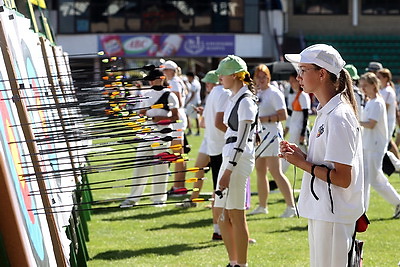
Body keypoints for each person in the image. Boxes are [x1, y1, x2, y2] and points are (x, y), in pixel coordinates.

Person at [280, 44, 365, 266]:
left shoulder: (338, 116)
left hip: (333, 213)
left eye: (303, 70)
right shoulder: (328, 111)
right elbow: (330, 166)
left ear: (322, 73)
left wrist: (301, 163)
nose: (298, 77)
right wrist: (303, 157)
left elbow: (343, 178)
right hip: (325, 211)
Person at [213, 55, 258, 267]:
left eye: (222, 74)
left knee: (236, 216)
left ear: (234, 75)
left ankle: (242, 264)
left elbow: (242, 138)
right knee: (222, 215)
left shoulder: (246, 100)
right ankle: (233, 262)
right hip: (229, 155)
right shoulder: (233, 97)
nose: (219, 77)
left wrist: (229, 170)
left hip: (237, 160)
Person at [176, 70, 231, 241]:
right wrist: (203, 113)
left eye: (209, 82)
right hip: (213, 143)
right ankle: (194, 198)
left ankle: (220, 228)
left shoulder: (220, 94)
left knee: (219, 189)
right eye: (206, 83)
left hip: (218, 144)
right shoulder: (216, 94)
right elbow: (205, 123)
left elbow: (212, 123)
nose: (207, 85)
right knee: (200, 171)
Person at [120, 69, 180, 207]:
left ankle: (159, 199)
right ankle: (133, 198)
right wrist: (147, 115)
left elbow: (176, 117)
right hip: (147, 132)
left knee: (160, 166)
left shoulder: (170, 95)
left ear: (161, 79)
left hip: (163, 133)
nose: (151, 81)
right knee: (140, 163)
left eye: (154, 78)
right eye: (150, 79)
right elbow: (141, 112)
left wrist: (162, 118)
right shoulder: (146, 94)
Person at [249, 64, 296, 217]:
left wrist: (264, 119)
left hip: (272, 136)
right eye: (258, 77)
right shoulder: (256, 93)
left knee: (276, 171)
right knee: (260, 171)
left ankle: (291, 206)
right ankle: (262, 205)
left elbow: (283, 115)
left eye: (264, 76)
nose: (261, 80)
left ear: (268, 77)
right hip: (260, 137)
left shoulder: (274, 93)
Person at [358, 72, 400, 217]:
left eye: (365, 86)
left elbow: (371, 124)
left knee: (374, 179)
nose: (363, 88)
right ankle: (361, 211)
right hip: (368, 144)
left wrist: (354, 121)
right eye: (361, 85)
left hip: (375, 146)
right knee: (367, 178)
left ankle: (398, 202)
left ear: (374, 85)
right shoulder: (371, 101)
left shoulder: (377, 102)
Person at [162, 60, 188, 194]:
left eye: (166, 70)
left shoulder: (174, 82)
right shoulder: (177, 81)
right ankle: (178, 185)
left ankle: (179, 187)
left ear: (172, 71)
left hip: (177, 119)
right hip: (179, 118)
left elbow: (177, 101)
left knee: (177, 154)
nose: (164, 73)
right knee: (178, 154)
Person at [282, 71, 311, 173]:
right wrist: (287, 128)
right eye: (290, 81)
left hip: (299, 130)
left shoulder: (303, 95)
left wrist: (302, 133)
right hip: (294, 128)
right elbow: (290, 114)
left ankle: (279, 175)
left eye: (294, 81)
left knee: (289, 151)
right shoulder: (294, 95)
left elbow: (306, 116)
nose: (292, 83)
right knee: (307, 156)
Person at [376, 68, 400, 159]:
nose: (377, 78)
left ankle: (396, 164)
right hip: (382, 121)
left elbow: (383, 108)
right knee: (388, 143)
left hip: (387, 122)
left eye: (379, 77)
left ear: (385, 78)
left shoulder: (388, 91)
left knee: (385, 144)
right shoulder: (382, 90)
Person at [185, 71, 202, 136]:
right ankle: (196, 131)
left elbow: (192, 94)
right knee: (195, 117)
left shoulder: (194, 83)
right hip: (195, 101)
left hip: (193, 102)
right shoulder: (195, 83)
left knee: (189, 116)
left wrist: (187, 102)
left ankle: (191, 130)